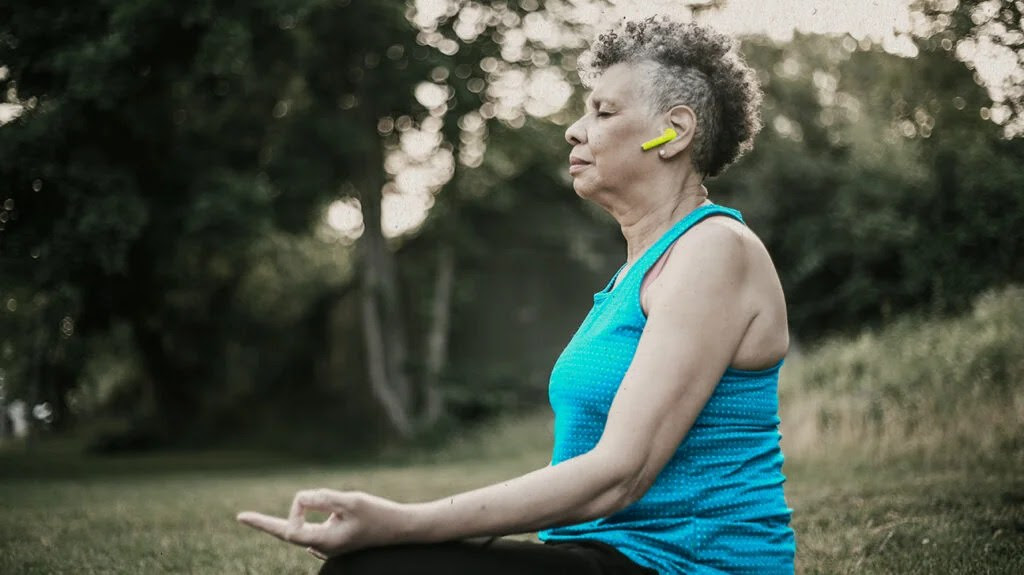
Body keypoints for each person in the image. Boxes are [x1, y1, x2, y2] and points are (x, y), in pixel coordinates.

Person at [238, 16, 795, 574]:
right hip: (605, 555)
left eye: (603, 112)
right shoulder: (637, 273)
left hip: (686, 565)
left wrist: (405, 520)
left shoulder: (714, 249)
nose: (575, 131)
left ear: (674, 132)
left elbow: (621, 472)